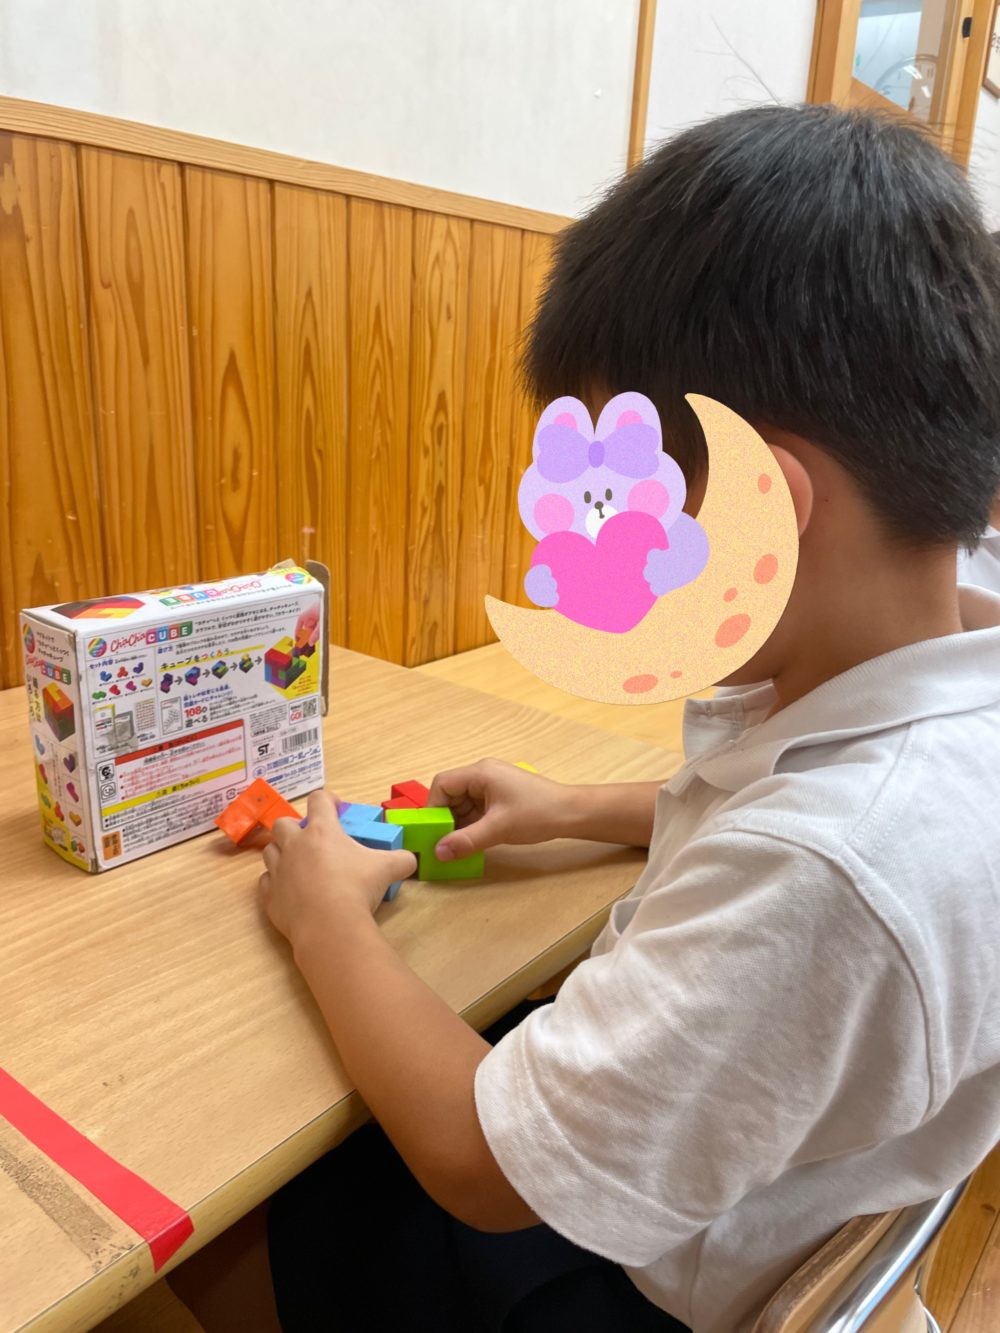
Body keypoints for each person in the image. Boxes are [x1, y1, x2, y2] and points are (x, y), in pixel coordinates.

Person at [170, 105, 1000, 1332]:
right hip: (766, 1183)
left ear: (767, 501)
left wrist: (325, 916)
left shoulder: (830, 863)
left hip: (658, 1289)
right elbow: (796, 831)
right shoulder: (942, 653)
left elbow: (479, 1167)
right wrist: (574, 806)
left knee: (294, 1186)